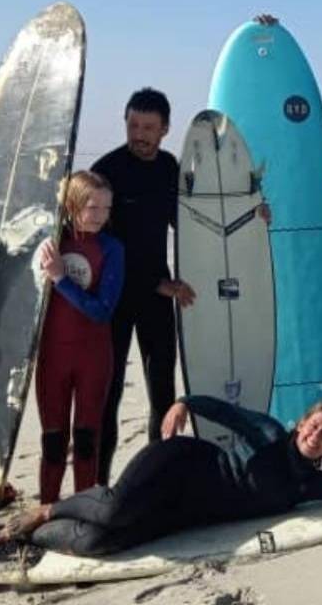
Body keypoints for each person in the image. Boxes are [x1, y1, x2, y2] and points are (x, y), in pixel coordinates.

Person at [0, 397, 322, 557]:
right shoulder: (270, 432)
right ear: (299, 422)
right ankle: (47, 509)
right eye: (313, 426)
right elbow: (226, 411)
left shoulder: (308, 484)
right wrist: (184, 404)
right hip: (182, 463)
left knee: (100, 542)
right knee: (113, 510)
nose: (315, 435)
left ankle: (23, 534)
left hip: (187, 513)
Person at [91, 88, 196, 482]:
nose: (139, 134)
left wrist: (254, 214)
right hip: (114, 297)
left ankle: (155, 479)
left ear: (165, 129)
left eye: (148, 127)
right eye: (133, 124)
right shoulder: (106, 171)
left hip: (157, 297)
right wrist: (158, 283)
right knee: (109, 394)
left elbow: (192, 222)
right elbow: (98, 244)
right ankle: (99, 482)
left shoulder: (170, 168)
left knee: (162, 390)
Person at [32, 170, 124, 502]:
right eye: (92, 207)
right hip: (52, 356)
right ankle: (47, 510)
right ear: (71, 204)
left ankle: (83, 512)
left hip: (93, 356)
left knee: (87, 438)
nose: (99, 216)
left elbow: (102, 311)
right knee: (53, 441)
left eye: (106, 209)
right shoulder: (50, 241)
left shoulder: (111, 248)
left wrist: (61, 279)